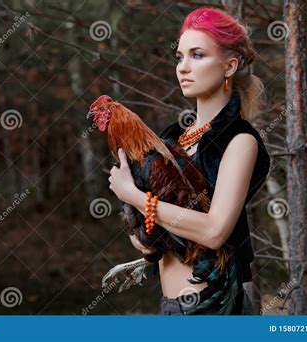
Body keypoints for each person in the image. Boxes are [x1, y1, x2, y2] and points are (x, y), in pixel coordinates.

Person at [106, 7, 270, 315]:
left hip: (213, 306)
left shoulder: (239, 140)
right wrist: (140, 229)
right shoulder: (173, 136)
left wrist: (134, 197)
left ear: (229, 66)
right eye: (179, 56)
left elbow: (214, 231)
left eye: (197, 55)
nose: (183, 67)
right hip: (172, 307)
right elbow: (151, 240)